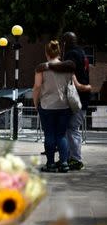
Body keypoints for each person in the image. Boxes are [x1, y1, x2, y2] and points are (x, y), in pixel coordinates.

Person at [33, 40, 73, 173]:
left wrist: (35, 102)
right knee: (61, 135)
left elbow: (37, 87)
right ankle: (64, 163)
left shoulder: (42, 68)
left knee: (49, 134)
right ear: (59, 52)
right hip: (64, 106)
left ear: (46, 53)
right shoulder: (67, 67)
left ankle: (50, 164)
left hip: (46, 106)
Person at [62, 32, 92, 170]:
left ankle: (76, 159)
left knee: (72, 128)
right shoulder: (82, 52)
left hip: (76, 97)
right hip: (83, 96)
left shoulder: (71, 54)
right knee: (71, 128)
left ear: (65, 42)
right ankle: (69, 157)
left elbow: (68, 73)